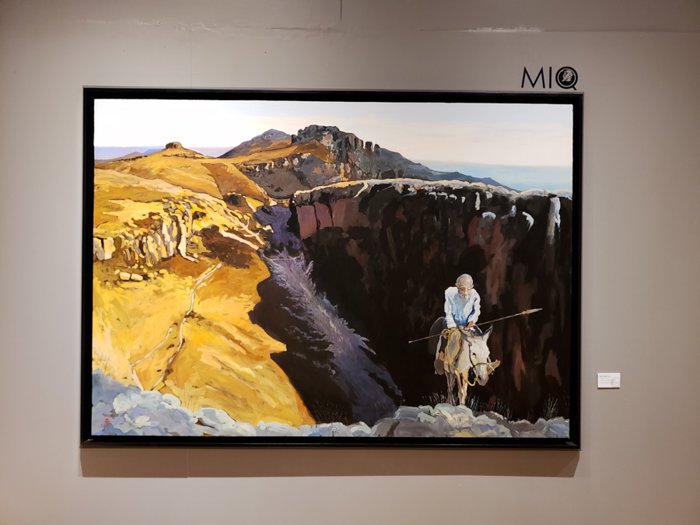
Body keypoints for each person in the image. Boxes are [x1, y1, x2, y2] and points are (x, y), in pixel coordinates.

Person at [435, 274, 481, 366]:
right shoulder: (449, 293)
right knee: (445, 332)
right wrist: (453, 327)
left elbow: (476, 310)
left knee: (480, 335)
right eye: (462, 289)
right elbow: (448, 312)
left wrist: (472, 320)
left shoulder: (475, 295)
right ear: (457, 287)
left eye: (468, 289)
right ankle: (442, 352)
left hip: (467, 324)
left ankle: (483, 361)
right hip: (453, 322)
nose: (465, 292)